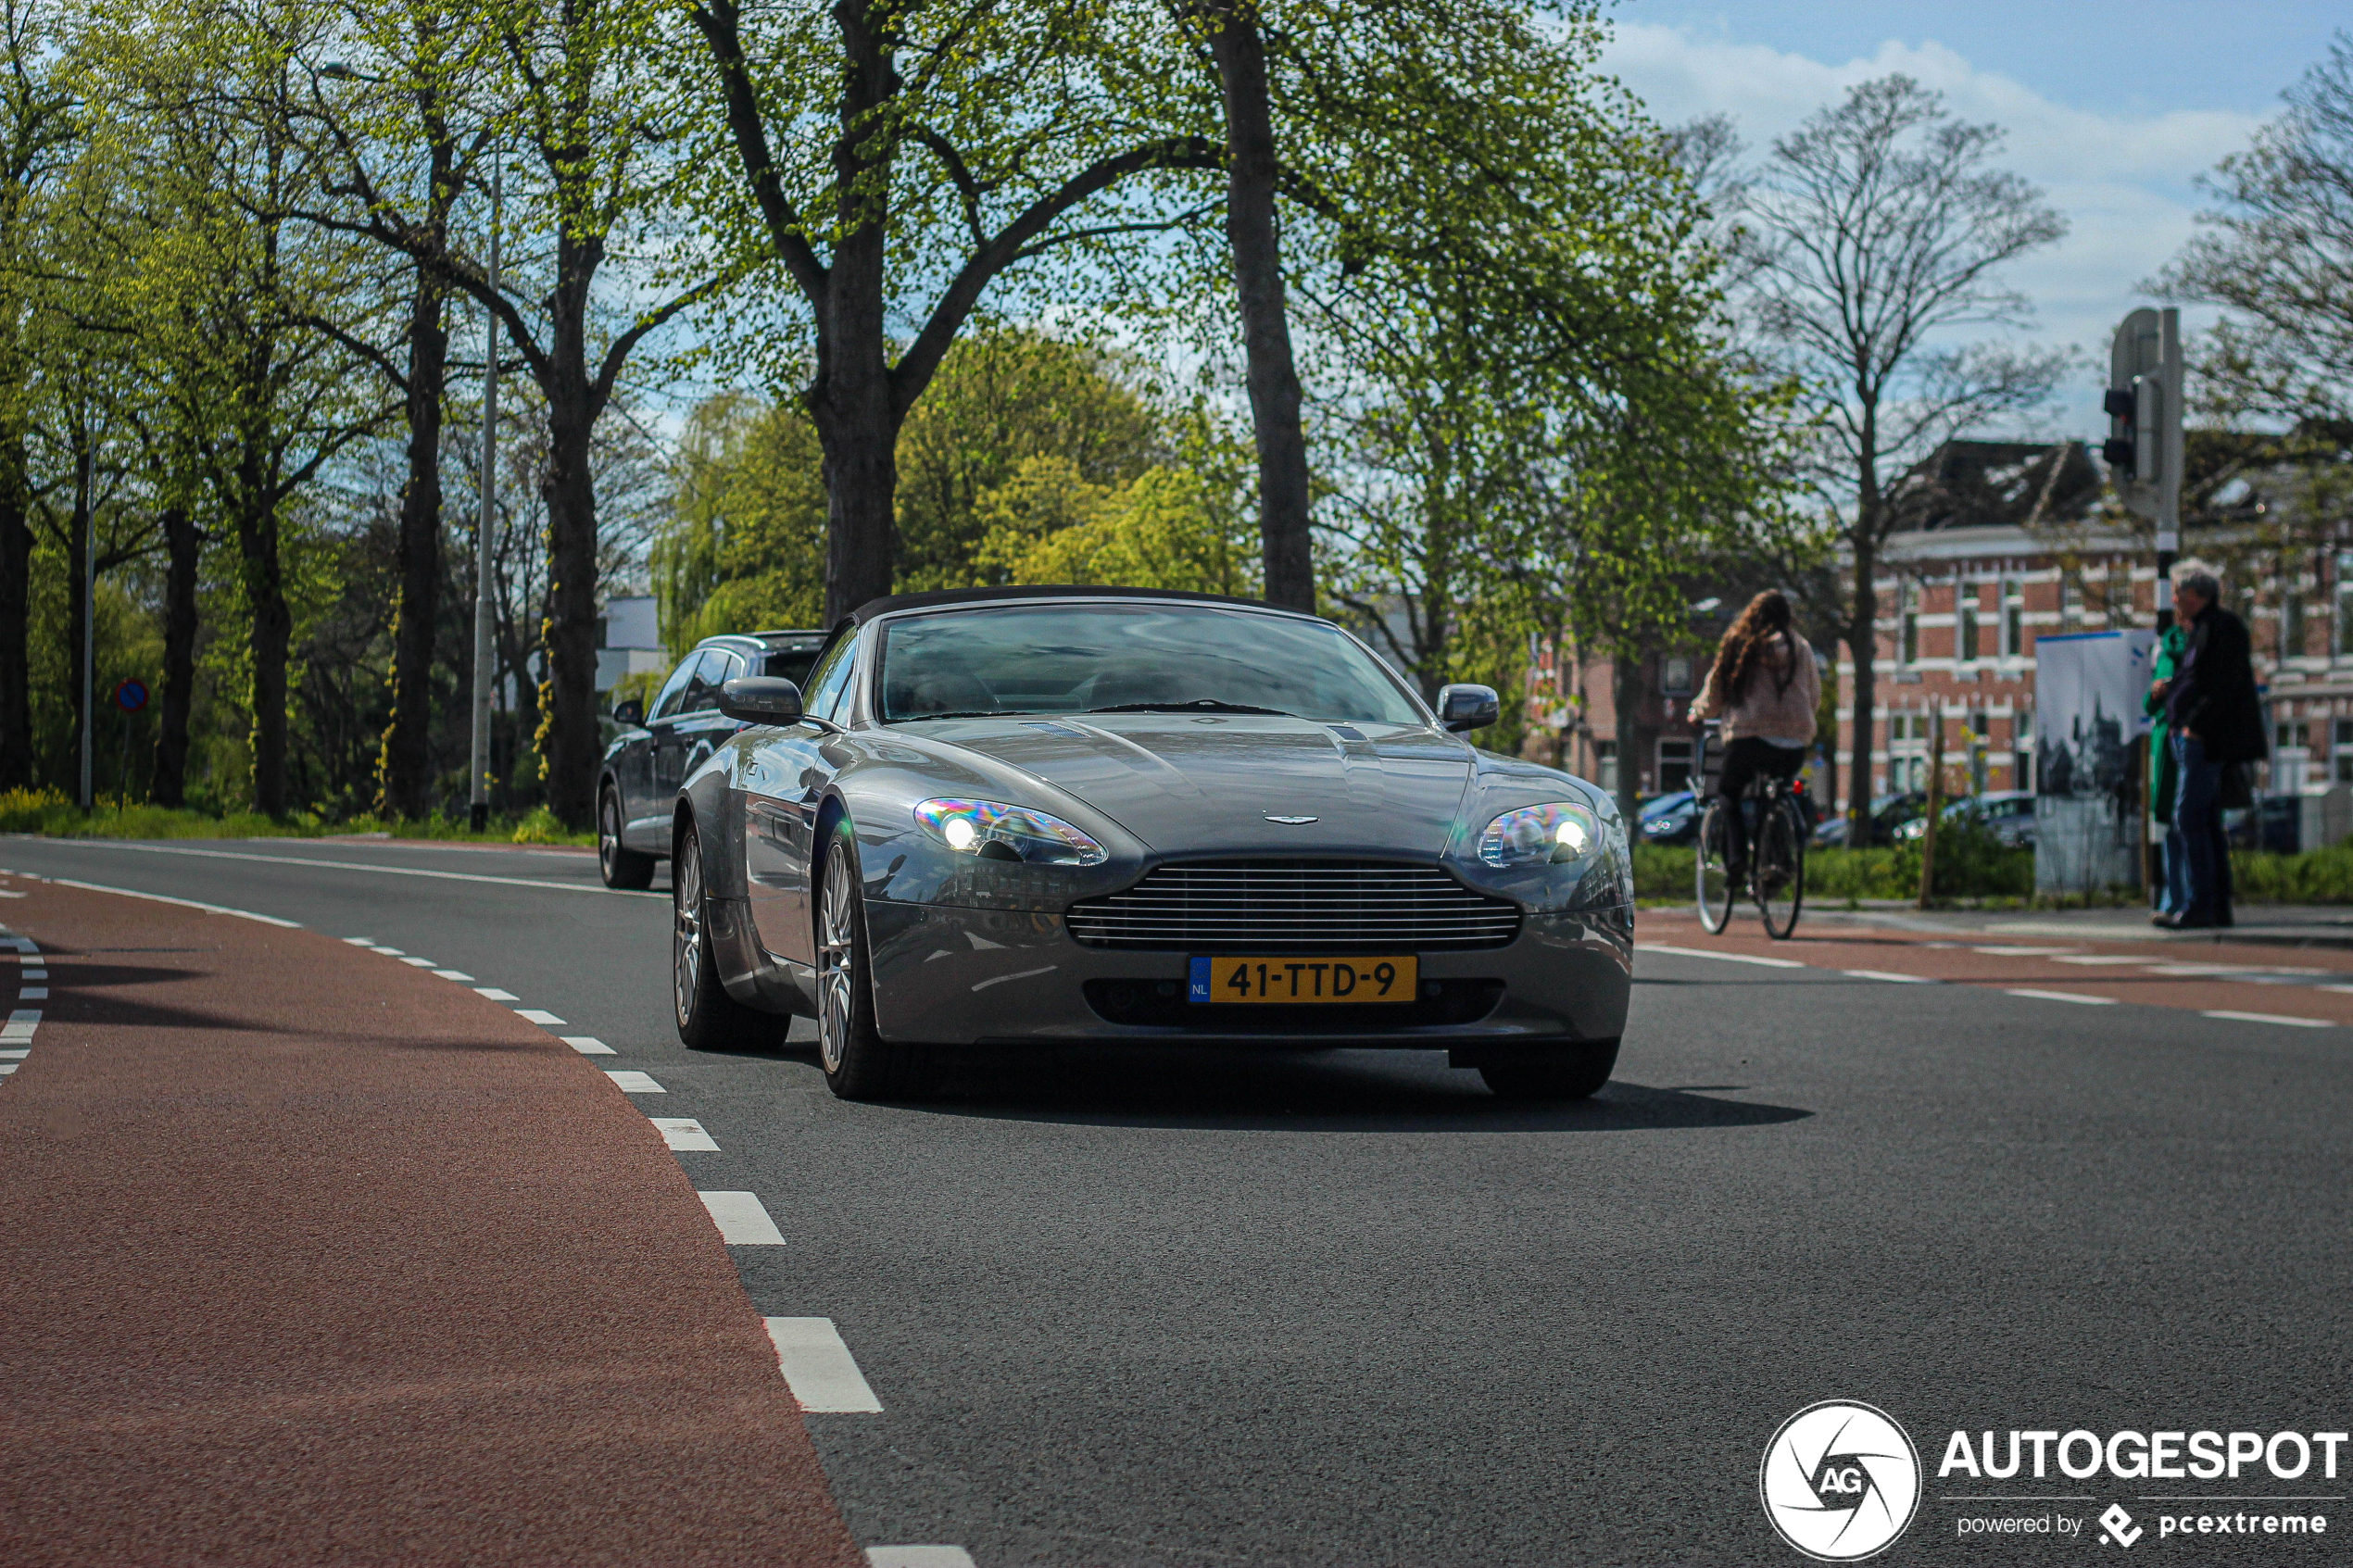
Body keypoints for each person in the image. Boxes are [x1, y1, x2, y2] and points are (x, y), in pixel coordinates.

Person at [2149, 568, 2265, 929]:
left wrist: (2194, 726)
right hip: (2195, 739)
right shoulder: (2202, 628)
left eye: (2178, 593)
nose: (2174, 601)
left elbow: (2223, 684)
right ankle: (2213, 904)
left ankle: (2203, 904)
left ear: (2195, 595)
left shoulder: (2220, 628)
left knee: (2189, 817)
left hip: (2205, 742)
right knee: (2205, 820)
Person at [1688, 590, 1819, 878]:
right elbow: (1815, 696)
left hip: (1749, 741)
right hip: (1793, 746)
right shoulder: (1801, 648)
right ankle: (1777, 859)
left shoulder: (1739, 644)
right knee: (1772, 795)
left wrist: (1697, 713)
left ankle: (1736, 860)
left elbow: (1715, 695)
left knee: (1728, 793)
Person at [2144, 613, 2189, 919]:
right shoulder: (2161, 651)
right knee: (2168, 821)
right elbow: (2148, 703)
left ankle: (2187, 898)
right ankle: (2172, 898)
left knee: (2187, 819)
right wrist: (2156, 692)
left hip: (2187, 736)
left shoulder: (2199, 647)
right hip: (2165, 738)